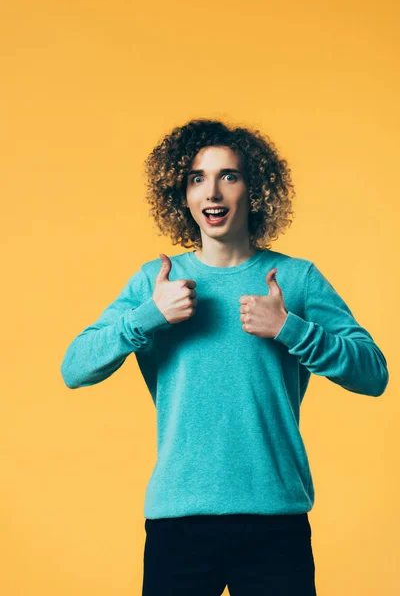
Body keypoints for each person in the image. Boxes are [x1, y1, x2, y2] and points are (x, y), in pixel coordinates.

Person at [60, 118, 389, 595]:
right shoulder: (156, 282)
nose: (212, 191)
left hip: (277, 522)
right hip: (179, 524)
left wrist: (290, 329)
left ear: (254, 189)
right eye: (197, 178)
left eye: (228, 176)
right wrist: (149, 316)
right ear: (183, 194)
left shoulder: (295, 279)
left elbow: (373, 373)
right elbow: (74, 367)